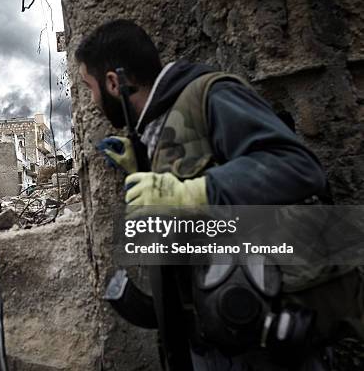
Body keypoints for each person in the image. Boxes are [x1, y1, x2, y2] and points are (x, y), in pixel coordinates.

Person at [75, 19, 364, 370]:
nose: (91, 102)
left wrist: (191, 192)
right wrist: (142, 167)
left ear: (113, 82)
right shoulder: (157, 124)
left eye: (89, 88)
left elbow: (296, 168)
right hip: (213, 338)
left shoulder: (211, 94)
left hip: (266, 342)